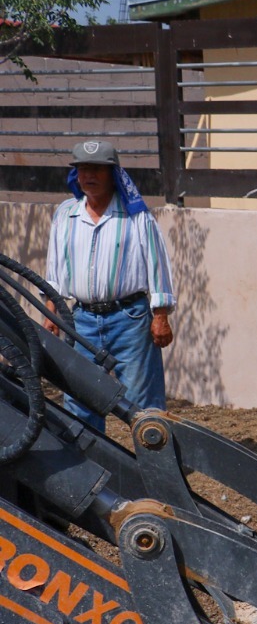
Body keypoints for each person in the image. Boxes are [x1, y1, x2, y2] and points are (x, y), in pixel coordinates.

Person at [45, 140, 176, 433]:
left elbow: (157, 266)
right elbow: (55, 268)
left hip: (130, 320)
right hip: (81, 322)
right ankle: (88, 473)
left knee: (144, 403)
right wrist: (50, 313)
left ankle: (156, 474)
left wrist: (161, 316)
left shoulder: (136, 214)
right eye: (82, 169)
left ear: (113, 174)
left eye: (97, 169)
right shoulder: (66, 214)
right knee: (81, 400)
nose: (89, 175)